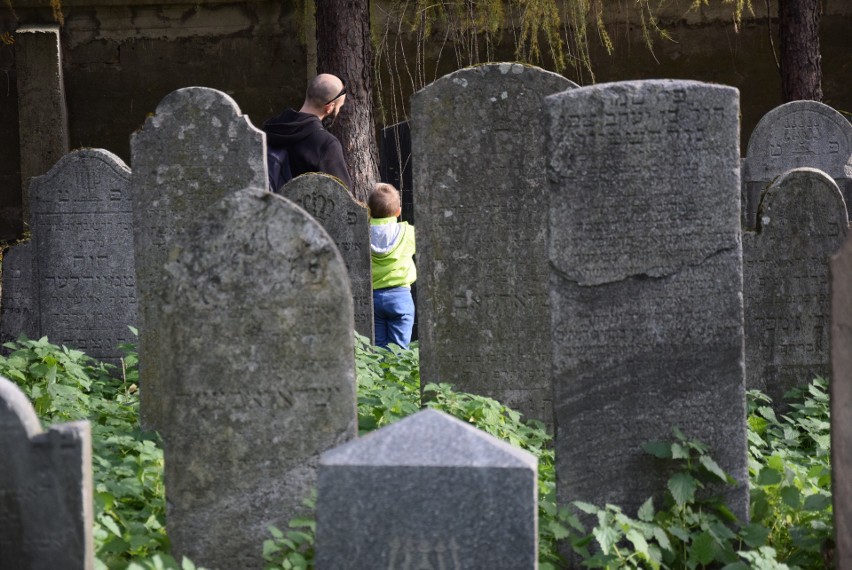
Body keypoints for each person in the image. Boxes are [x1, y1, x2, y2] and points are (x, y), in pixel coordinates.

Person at [262, 73, 353, 193]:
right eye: (339, 107)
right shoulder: (325, 144)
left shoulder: (268, 129)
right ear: (329, 108)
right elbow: (342, 199)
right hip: (298, 211)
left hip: (262, 208)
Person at [368, 183, 416, 349]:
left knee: (378, 349)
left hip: (373, 298)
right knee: (399, 350)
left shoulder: (362, 233)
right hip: (400, 296)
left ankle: (378, 375)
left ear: (369, 211)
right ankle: (397, 375)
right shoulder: (408, 233)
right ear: (398, 211)